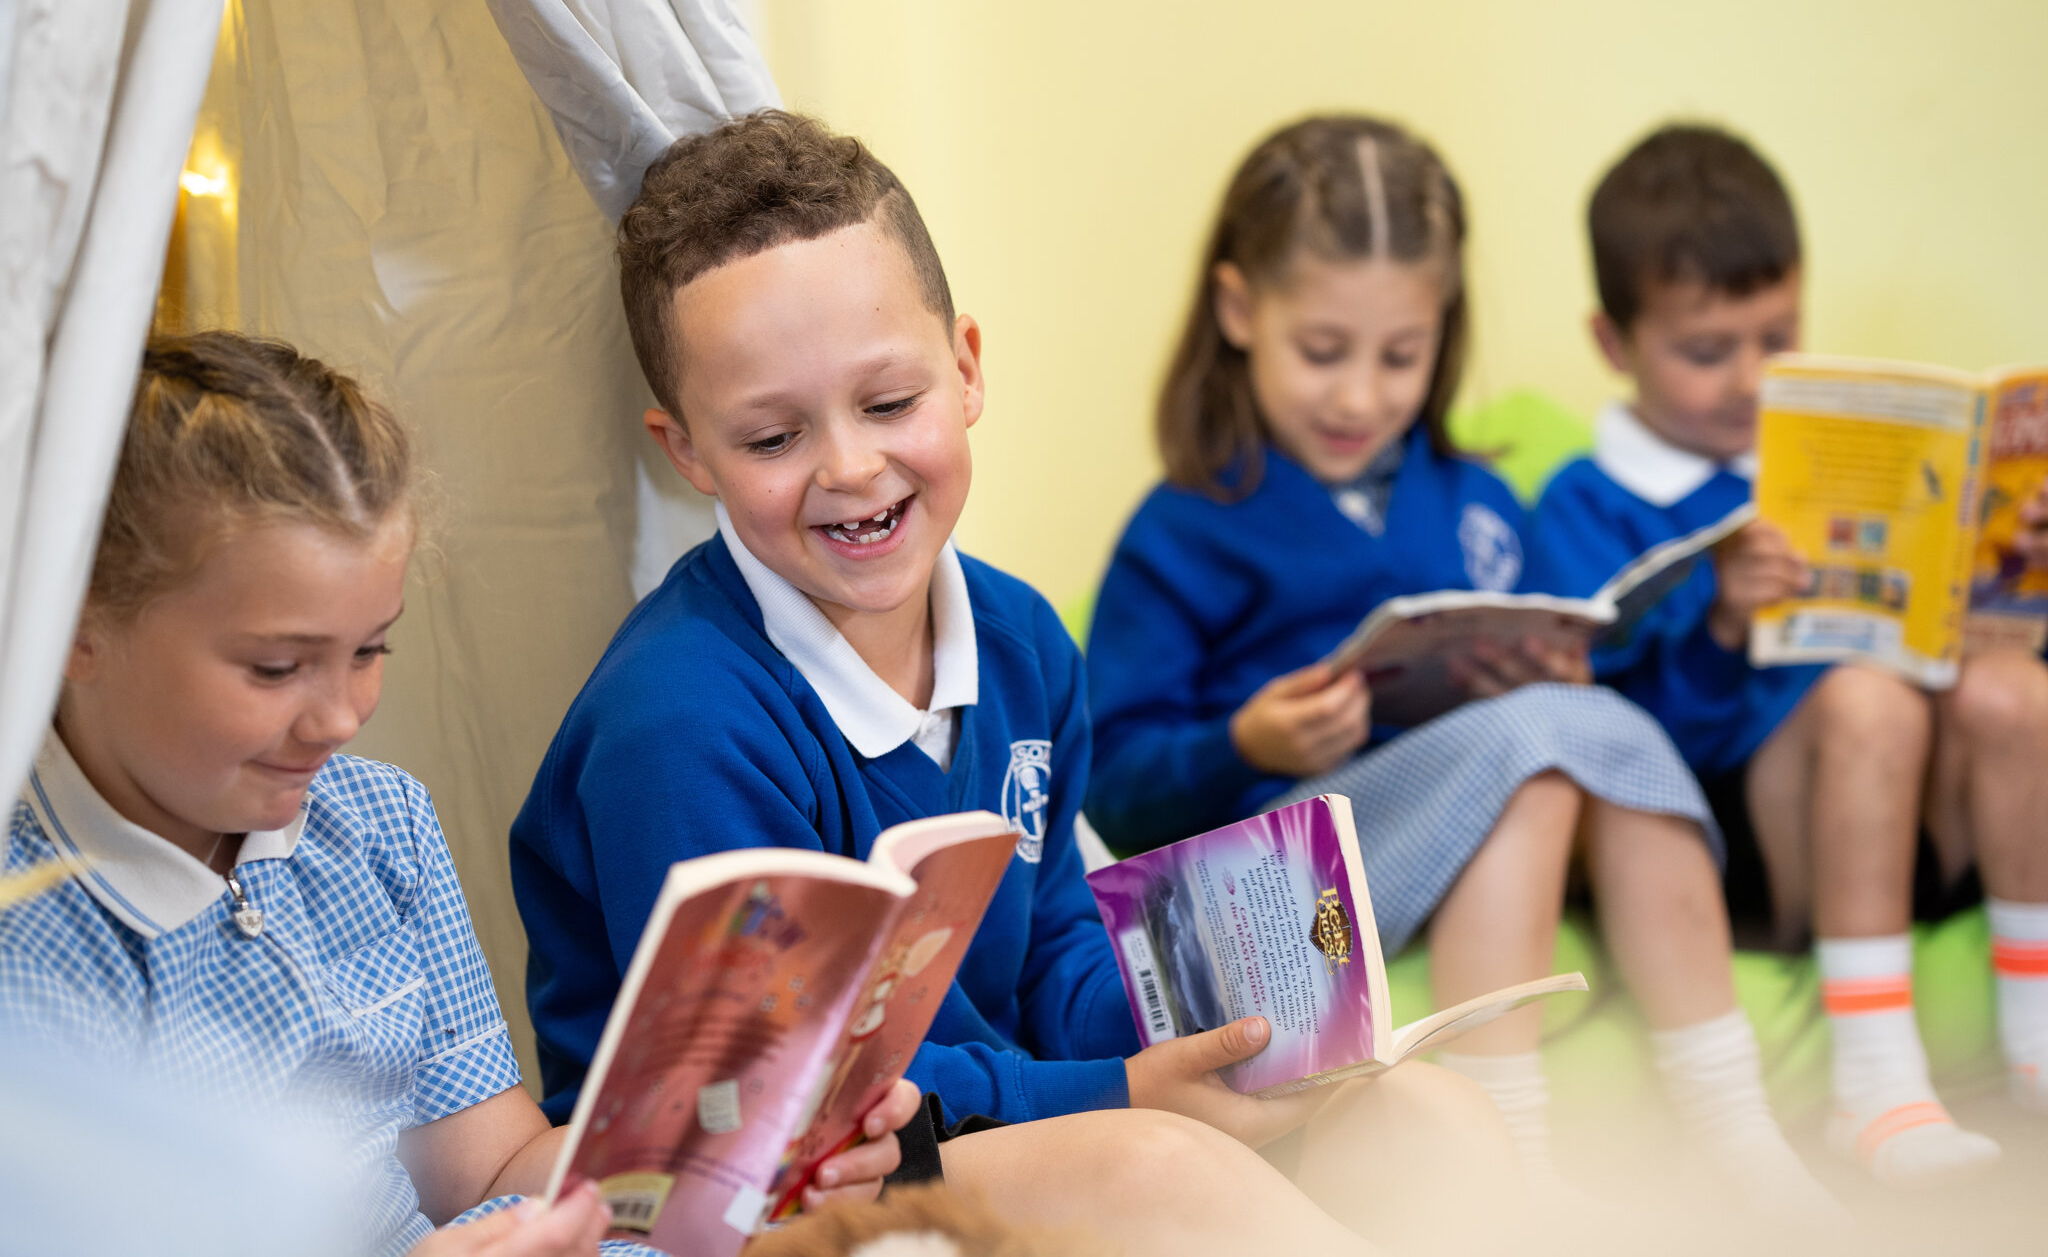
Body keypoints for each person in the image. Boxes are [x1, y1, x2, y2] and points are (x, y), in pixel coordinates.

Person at [512, 109, 1523, 1256]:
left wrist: (1204, 1048)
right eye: (769, 438)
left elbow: (1052, 942)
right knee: (1154, 1168)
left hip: (998, 1117)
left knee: (1420, 1117)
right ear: (686, 451)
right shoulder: (678, 726)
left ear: (966, 370)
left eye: (889, 404)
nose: (850, 468)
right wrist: (1120, 1097)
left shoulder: (1022, 638)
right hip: (784, 1183)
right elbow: (794, 1094)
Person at [0, 332, 914, 1257]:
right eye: (276, 667)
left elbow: (485, 1172)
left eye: (369, 651)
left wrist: (751, 1151)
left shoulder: (377, 822)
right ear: (72, 628)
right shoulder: (31, 941)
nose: (340, 717)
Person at [1083, 115, 1833, 1220]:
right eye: (1322, 351)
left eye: (1400, 356)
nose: (1360, 398)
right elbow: (1109, 790)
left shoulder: (1475, 500)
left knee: (1579, 736)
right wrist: (1245, 742)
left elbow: (1548, 656)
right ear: (1241, 312)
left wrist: (1549, 680)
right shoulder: (1184, 527)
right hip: (1274, 901)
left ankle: (1734, 1126)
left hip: (1465, 848)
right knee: (1534, 751)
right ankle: (1509, 1158)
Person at [1524, 122, 2048, 1187]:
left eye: (1778, 336)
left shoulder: (1832, 457)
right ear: (1613, 344)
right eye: (1706, 351)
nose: (1752, 381)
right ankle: (1872, 1080)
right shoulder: (1583, 505)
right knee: (1866, 702)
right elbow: (1625, 754)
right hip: (1762, 846)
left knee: (2007, 691)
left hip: (1922, 813)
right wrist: (1717, 622)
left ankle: (2035, 1042)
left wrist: (2005, 566)